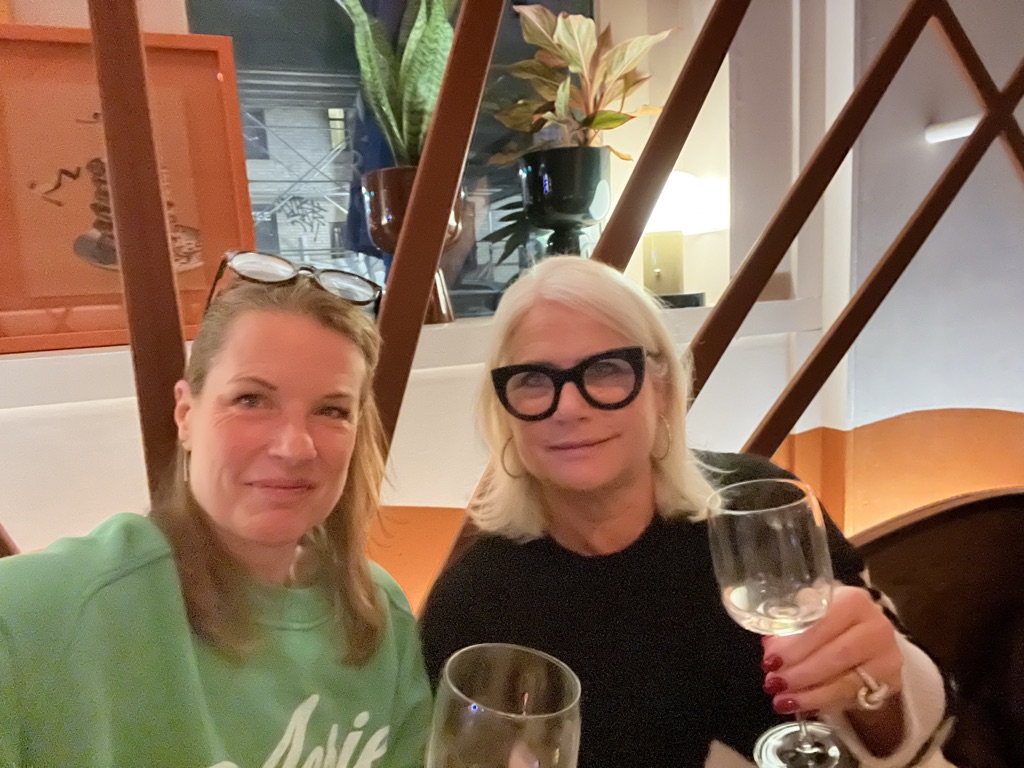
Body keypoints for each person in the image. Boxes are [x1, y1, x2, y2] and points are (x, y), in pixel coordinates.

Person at [419, 256, 953, 768]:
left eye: (606, 369)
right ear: (505, 408)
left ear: (662, 386)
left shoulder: (759, 508)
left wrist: (878, 690)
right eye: (533, 380)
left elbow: (909, 737)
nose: (570, 407)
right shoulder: (475, 603)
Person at [0, 254, 432, 767]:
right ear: (186, 414)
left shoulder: (381, 617)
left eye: (331, 410)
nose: (294, 447)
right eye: (251, 400)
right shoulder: (44, 616)